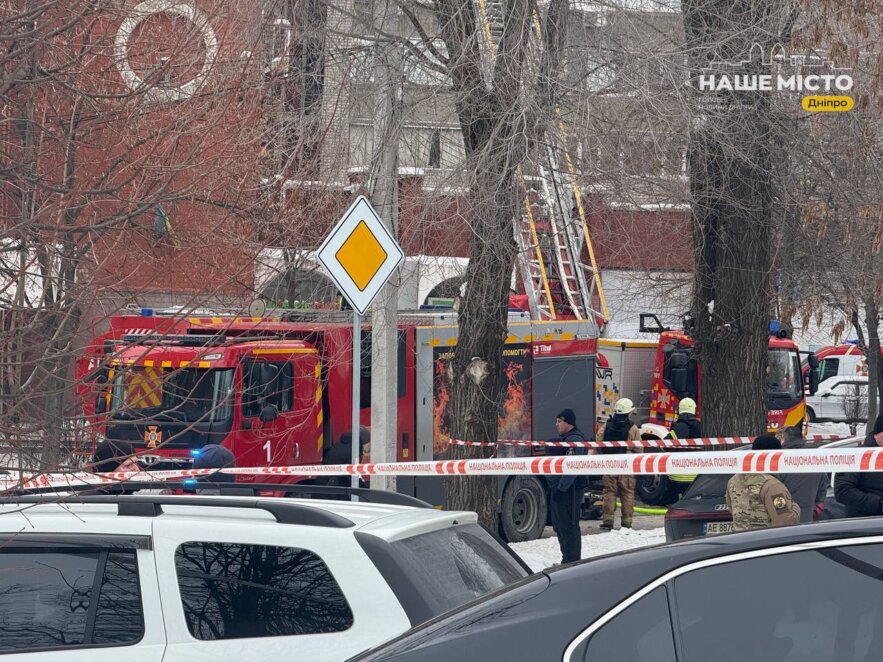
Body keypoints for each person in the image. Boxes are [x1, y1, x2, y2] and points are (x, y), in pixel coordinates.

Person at [726, 435, 800, 531]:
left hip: (740, 541)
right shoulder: (772, 486)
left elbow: (732, 509)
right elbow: (784, 521)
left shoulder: (733, 480)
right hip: (764, 541)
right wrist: (795, 507)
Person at [547, 409, 588, 564]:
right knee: (560, 527)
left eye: (559, 421)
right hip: (561, 490)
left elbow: (572, 468)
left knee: (569, 528)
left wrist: (561, 488)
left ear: (568, 423)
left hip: (569, 491)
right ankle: (567, 559)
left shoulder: (575, 441)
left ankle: (572, 561)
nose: (556, 424)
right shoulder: (565, 439)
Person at [597, 398, 641, 530]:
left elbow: (599, 442)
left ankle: (608, 521)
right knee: (627, 492)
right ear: (628, 412)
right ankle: (627, 523)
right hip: (626, 464)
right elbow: (639, 449)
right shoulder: (633, 428)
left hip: (610, 463)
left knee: (609, 492)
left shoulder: (606, 425)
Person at [834, 412, 883, 518]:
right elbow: (843, 491)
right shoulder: (857, 456)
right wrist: (879, 504)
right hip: (864, 524)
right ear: (876, 434)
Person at [776, 425, 828, 521]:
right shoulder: (813, 461)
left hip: (783, 518)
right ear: (802, 439)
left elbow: (774, 491)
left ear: (783, 440)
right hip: (807, 518)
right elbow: (822, 493)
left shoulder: (779, 460)